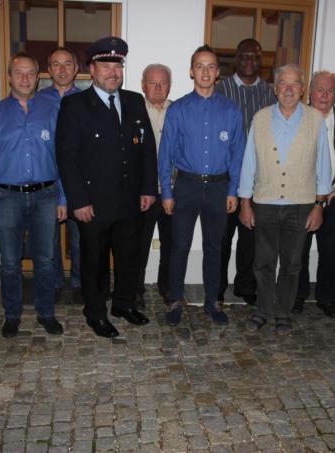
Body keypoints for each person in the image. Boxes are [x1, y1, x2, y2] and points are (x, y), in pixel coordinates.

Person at [56, 36, 156, 338]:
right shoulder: (74, 105)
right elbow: (66, 157)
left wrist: (148, 188)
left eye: (118, 65)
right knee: (95, 263)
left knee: (129, 258)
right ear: (91, 68)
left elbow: (147, 149)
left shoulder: (134, 101)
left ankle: (123, 304)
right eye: (106, 65)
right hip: (93, 203)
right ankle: (96, 312)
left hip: (129, 200)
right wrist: (78, 200)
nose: (113, 72)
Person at [0, 52, 67, 338]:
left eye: (30, 73)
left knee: (46, 259)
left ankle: (45, 312)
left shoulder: (52, 112)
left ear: (38, 77)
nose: (25, 79)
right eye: (19, 73)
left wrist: (63, 197)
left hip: (46, 195)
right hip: (6, 197)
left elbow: (63, 158)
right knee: (10, 261)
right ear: (10, 77)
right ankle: (12, 314)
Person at [237, 64, 331, 335]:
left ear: (302, 89)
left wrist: (319, 205)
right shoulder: (261, 118)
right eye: (283, 84)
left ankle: (283, 312)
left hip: (301, 205)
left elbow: (323, 165)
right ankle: (263, 309)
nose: (289, 89)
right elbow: (249, 162)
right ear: (275, 89)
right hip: (265, 203)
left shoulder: (315, 120)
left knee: (291, 264)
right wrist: (245, 202)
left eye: (295, 84)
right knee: (263, 262)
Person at [159, 45, 245, 326]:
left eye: (210, 66)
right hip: (186, 186)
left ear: (218, 73)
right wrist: (167, 192)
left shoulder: (231, 110)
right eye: (199, 66)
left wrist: (233, 190)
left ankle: (212, 301)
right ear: (191, 71)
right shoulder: (179, 110)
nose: (205, 72)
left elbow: (238, 153)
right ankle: (174, 301)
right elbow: (166, 154)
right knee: (179, 246)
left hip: (220, 188)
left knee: (215, 247)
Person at [293, 71, 335, 318]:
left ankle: (327, 297)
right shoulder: (296, 116)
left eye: (330, 90)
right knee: (298, 249)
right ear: (309, 92)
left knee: (332, 250)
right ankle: (298, 295)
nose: (324, 95)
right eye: (319, 90)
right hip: (302, 196)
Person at [215, 38, 277, 305]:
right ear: (235, 59)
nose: (250, 61)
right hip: (226, 176)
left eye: (255, 56)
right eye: (244, 56)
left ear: (262, 60)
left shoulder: (271, 92)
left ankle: (246, 286)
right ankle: (216, 285)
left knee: (252, 238)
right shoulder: (221, 89)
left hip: (260, 178)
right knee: (221, 236)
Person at [38, 47, 83, 296]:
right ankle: (54, 282)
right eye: (56, 64)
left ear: (76, 68)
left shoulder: (88, 100)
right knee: (49, 237)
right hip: (46, 179)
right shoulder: (37, 100)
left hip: (77, 179)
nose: (62, 69)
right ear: (49, 69)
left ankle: (78, 283)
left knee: (78, 238)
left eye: (68, 63)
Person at [136, 63, 174, 307]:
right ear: (143, 85)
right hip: (144, 193)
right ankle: (135, 290)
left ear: (170, 86)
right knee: (138, 246)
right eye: (153, 82)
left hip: (173, 191)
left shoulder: (179, 111)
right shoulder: (133, 111)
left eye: (163, 83)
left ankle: (168, 288)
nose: (158, 87)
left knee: (172, 244)